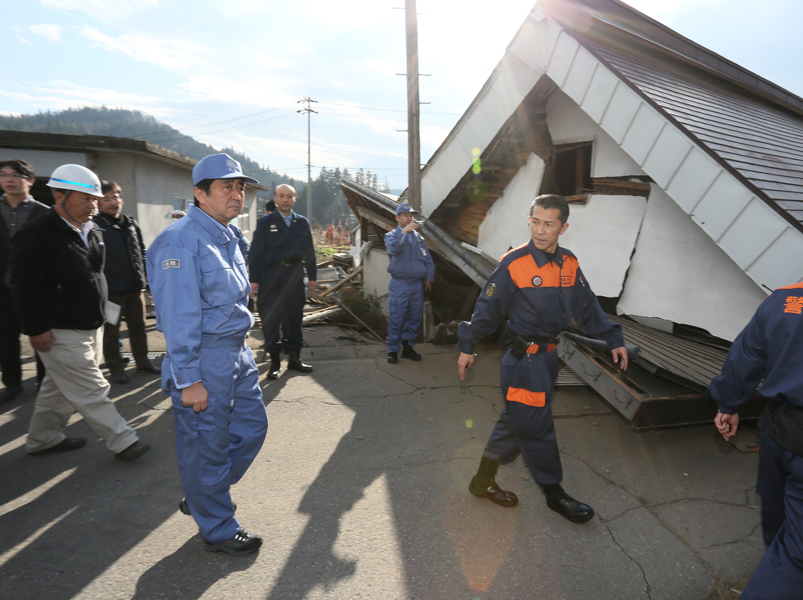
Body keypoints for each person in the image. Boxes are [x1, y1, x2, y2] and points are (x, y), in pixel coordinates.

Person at [457, 194, 627, 523]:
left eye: (548, 224)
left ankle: (481, 480)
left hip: (548, 359)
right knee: (535, 427)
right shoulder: (514, 263)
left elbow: (586, 305)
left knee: (516, 420)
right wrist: (467, 345)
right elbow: (487, 310)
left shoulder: (569, 263)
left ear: (563, 227)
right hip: (524, 362)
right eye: (535, 221)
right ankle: (554, 493)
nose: (539, 230)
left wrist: (612, 337)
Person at [147, 153, 267, 556]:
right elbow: (178, 316)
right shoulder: (180, 240)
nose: (237, 195)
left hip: (236, 351)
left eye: (240, 187)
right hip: (204, 357)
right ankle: (217, 526)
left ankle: (202, 494)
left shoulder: (226, 236)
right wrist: (190, 378)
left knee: (252, 428)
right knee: (208, 445)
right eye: (226, 187)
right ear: (199, 194)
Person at [9, 164, 150, 460]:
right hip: (58, 330)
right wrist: (36, 329)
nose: (93, 206)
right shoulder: (36, 234)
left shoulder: (92, 229)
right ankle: (123, 441)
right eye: (86, 199)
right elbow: (24, 287)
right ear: (60, 197)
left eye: (95, 199)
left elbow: (95, 274)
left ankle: (43, 438)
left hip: (91, 323)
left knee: (59, 388)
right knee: (91, 387)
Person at [709, 283, 803, 599]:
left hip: (777, 430)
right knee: (796, 556)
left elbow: (747, 356)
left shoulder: (783, 299)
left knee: (776, 511)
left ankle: (774, 568)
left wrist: (728, 404)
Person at [93, 181, 160, 384]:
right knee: (111, 333)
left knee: (138, 329)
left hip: (135, 289)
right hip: (111, 292)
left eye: (115, 197)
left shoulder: (130, 223)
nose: (112, 202)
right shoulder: (95, 225)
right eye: (106, 199)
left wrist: (146, 276)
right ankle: (116, 368)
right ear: (98, 202)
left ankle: (143, 362)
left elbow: (142, 251)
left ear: (121, 200)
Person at [249, 184, 317, 380]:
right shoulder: (266, 222)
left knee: (295, 320)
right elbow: (256, 253)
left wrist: (312, 276)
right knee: (271, 321)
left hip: (295, 276)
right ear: (275, 198)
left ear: (294, 199)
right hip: (271, 277)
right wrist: (254, 280)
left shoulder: (301, 222)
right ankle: (275, 363)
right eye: (281, 196)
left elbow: (309, 250)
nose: (285, 200)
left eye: (289, 196)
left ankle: (295, 359)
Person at [0, 159, 48, 403]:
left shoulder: (45, 213)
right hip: (3, 288)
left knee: (42, 336)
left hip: (36, 288)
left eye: (16, 175)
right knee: (6, 338)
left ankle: (44, 384)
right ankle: (12, 384)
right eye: (3, 174)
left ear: (30, 180)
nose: (9, 179)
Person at [384, 203, 434, 364]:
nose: (409, 218)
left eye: (411, 216)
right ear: (397, 218)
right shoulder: (391, 236)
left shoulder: (418, 238)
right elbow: (394, 249)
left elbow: (427, 258)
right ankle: (392, 350)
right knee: (397, 318)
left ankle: (408, 348)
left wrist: (429, 276)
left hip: (416, 285)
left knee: (414, 318)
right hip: (400, 284)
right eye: (405, 215)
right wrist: (405, 231)